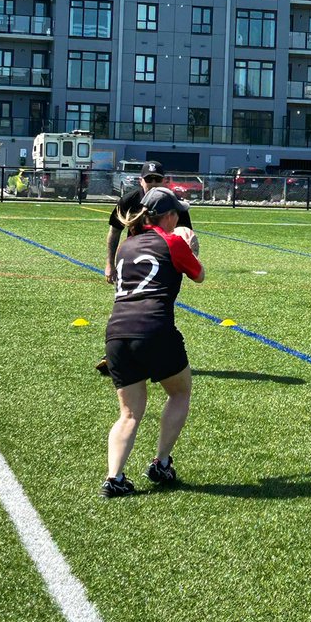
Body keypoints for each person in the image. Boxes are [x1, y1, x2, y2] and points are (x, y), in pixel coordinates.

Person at [99, 187, 205, 498]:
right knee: (180, 392)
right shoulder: (172, 241)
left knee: (129, 413)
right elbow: (199, 275)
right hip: (154, 328)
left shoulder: (126, 246)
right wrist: (192, 248)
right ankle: (161, 462)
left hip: (116, 333)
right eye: (177, 213)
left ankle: (114, 478)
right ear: (169, 216)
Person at [105, 161, 197, 283]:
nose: (153, 184)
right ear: (141, 181)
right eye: (149, 179)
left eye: (157, 179)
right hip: (134, 257)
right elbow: (115, 231)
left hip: (165, 261)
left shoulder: (176, 203)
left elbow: (186, 232)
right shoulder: (129, 201)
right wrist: (110, 264)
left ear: (164, 181)